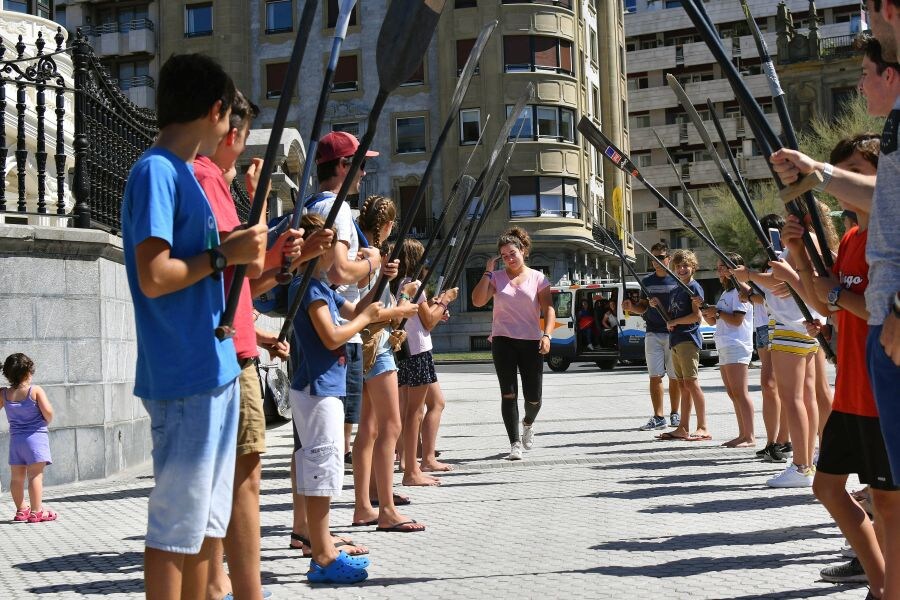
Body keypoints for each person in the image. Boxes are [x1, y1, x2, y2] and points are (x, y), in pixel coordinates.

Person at [121, 54, 267, 599]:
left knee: (206, 521)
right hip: (184, 376)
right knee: (176, 526)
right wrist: (223, 256)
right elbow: (155, 275)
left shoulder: (181, 171)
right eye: (231, 115)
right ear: (215, 110)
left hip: (213, 370)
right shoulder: (157, 170)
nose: (233, 128)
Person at [289, 130, 380, 555]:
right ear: (343, 167)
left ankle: (307, 532)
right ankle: (320, 545)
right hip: (322, 364)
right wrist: (371, 261)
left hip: (312, 357)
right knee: (324, 453)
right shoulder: (336, 209)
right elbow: (341, 272)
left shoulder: (309, 205)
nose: (364, 173)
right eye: (360, 165)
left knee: (309, 449)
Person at [732, 212, 825, 488]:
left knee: (794, 399)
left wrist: (747, 275)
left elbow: (780, 283)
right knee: (806, 398)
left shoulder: (801, 245)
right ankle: (805, 463)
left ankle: (801, 466)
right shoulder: (810, 244)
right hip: (802, 326)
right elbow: (784, 283)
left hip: (791, 326)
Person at [349, 196, 423, 531]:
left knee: (368, 428)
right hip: (375, 342)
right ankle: (387, 509)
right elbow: (369, 307)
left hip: (363, 341)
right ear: (388, 226)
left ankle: (364, 504)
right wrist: (401, 310)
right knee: (391, 425)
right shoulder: (371, 254)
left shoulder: (363, 251)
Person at [471, 227, 555, 461]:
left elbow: (548, 308)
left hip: (531, 342)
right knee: (508, 394)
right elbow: (477, 301)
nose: (509, 258)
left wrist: (547, 335)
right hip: (503, 340)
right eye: (504, 255)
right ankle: (514, 443)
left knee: (534, 398)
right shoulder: (496, 278)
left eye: (512, 253)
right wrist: (488, 272)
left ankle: (528, 422)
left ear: (523, 251)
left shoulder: (539, 278)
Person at [394, 238, 458, 487]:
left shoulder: (402, 284)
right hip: (417, 351)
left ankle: (418, 458)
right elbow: (429, 322)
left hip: (412, 350)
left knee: (433, 403)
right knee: (415, 412)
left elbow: (423, 316)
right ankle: (418, 462)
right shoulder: (414, 284)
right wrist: (445, 300)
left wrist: (435, 306)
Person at [622, 242, 682, 431]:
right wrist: (631, 308)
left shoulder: (678, 279)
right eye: (653, 258)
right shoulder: (646, 282)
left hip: (674, 334)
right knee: (654, 376)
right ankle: (658, 416)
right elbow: (643, 306)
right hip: (652, 332)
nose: (656, 261)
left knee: (674, 376)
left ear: (669, 258)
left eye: (661, 257)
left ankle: (675, 413)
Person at [701, 253, 755, 448]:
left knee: (740, 392)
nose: (720, 270)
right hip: (724, 344)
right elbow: (715, 320)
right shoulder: (725, 294)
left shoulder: (740, 292)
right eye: (718, 267)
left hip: (737, 344)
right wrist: (706, 311)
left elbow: (737, 320)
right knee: (733, 393)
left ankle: (749, 436)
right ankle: (742, 434)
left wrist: (718, 311)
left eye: (724, 266)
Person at [656, 250, 709, 442]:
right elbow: (672, 317)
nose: (682, 269)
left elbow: (697, 316)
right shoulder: (677, 289)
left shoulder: (694, 288)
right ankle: (683, 427)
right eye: (678, 266)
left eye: (685, 265)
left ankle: (703, 427)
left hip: (688, 339)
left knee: (692, 384)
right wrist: (658, 307)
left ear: (693, 267)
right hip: (676, 340)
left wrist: (676, 322)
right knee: (683, 385)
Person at [1, 353, 55, 524]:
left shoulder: (4, 394)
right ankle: (36, 512)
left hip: (16, 442)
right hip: (35, 439)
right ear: (27, 373)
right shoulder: (35, 391)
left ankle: (21, 510)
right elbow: (48, 414)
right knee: (35, 476)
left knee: (17, 478)